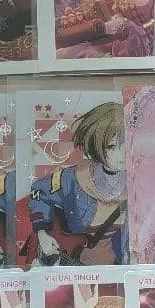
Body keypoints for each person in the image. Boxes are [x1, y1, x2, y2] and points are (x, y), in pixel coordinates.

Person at [28, 102, 129, 266]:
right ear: (96, 145)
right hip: (78, 259)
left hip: (121, 261)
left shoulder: (139, 182)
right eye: (112, 147)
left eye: (127, 144)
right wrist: (42, 233)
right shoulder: (72, 179)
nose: (122, 154)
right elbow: (39, 192)